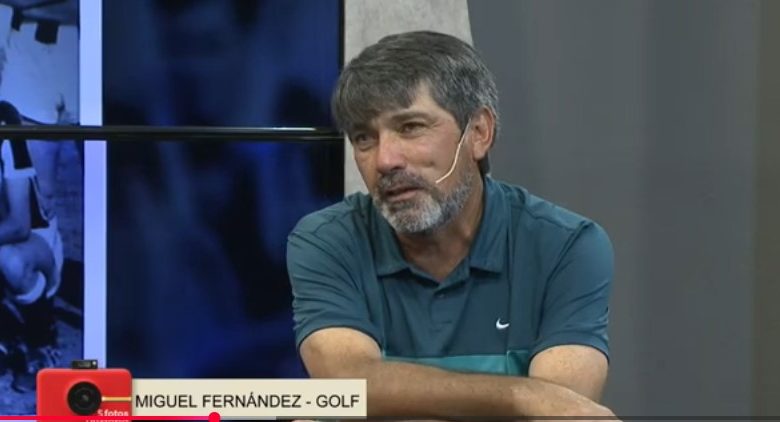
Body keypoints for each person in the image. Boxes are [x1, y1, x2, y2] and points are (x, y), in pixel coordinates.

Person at [286, 31, 616, 419]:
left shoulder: (565, 246)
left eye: (410, 127)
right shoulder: (327, 241)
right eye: (364, 138)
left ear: (478, 133)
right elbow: (347, 387)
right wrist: (519, 395)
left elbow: (562, 409)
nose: (385, 160)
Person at [0, 100, 63, 392]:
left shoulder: (6, 129)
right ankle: (7, 338)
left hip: (34, 246)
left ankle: (42, 341)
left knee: (8, 261)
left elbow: (19, 225)